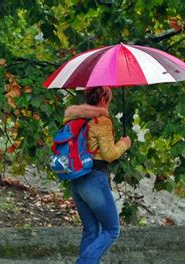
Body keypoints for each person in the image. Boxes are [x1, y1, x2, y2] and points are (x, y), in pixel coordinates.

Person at [63, 87, 131, 264]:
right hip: (94, 178)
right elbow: (108, 154)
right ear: (104, 99)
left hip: (76, 178)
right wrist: (124, 144)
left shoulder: (73, 117)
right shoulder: (101, 121)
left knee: (91, 229)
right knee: (112, 229)